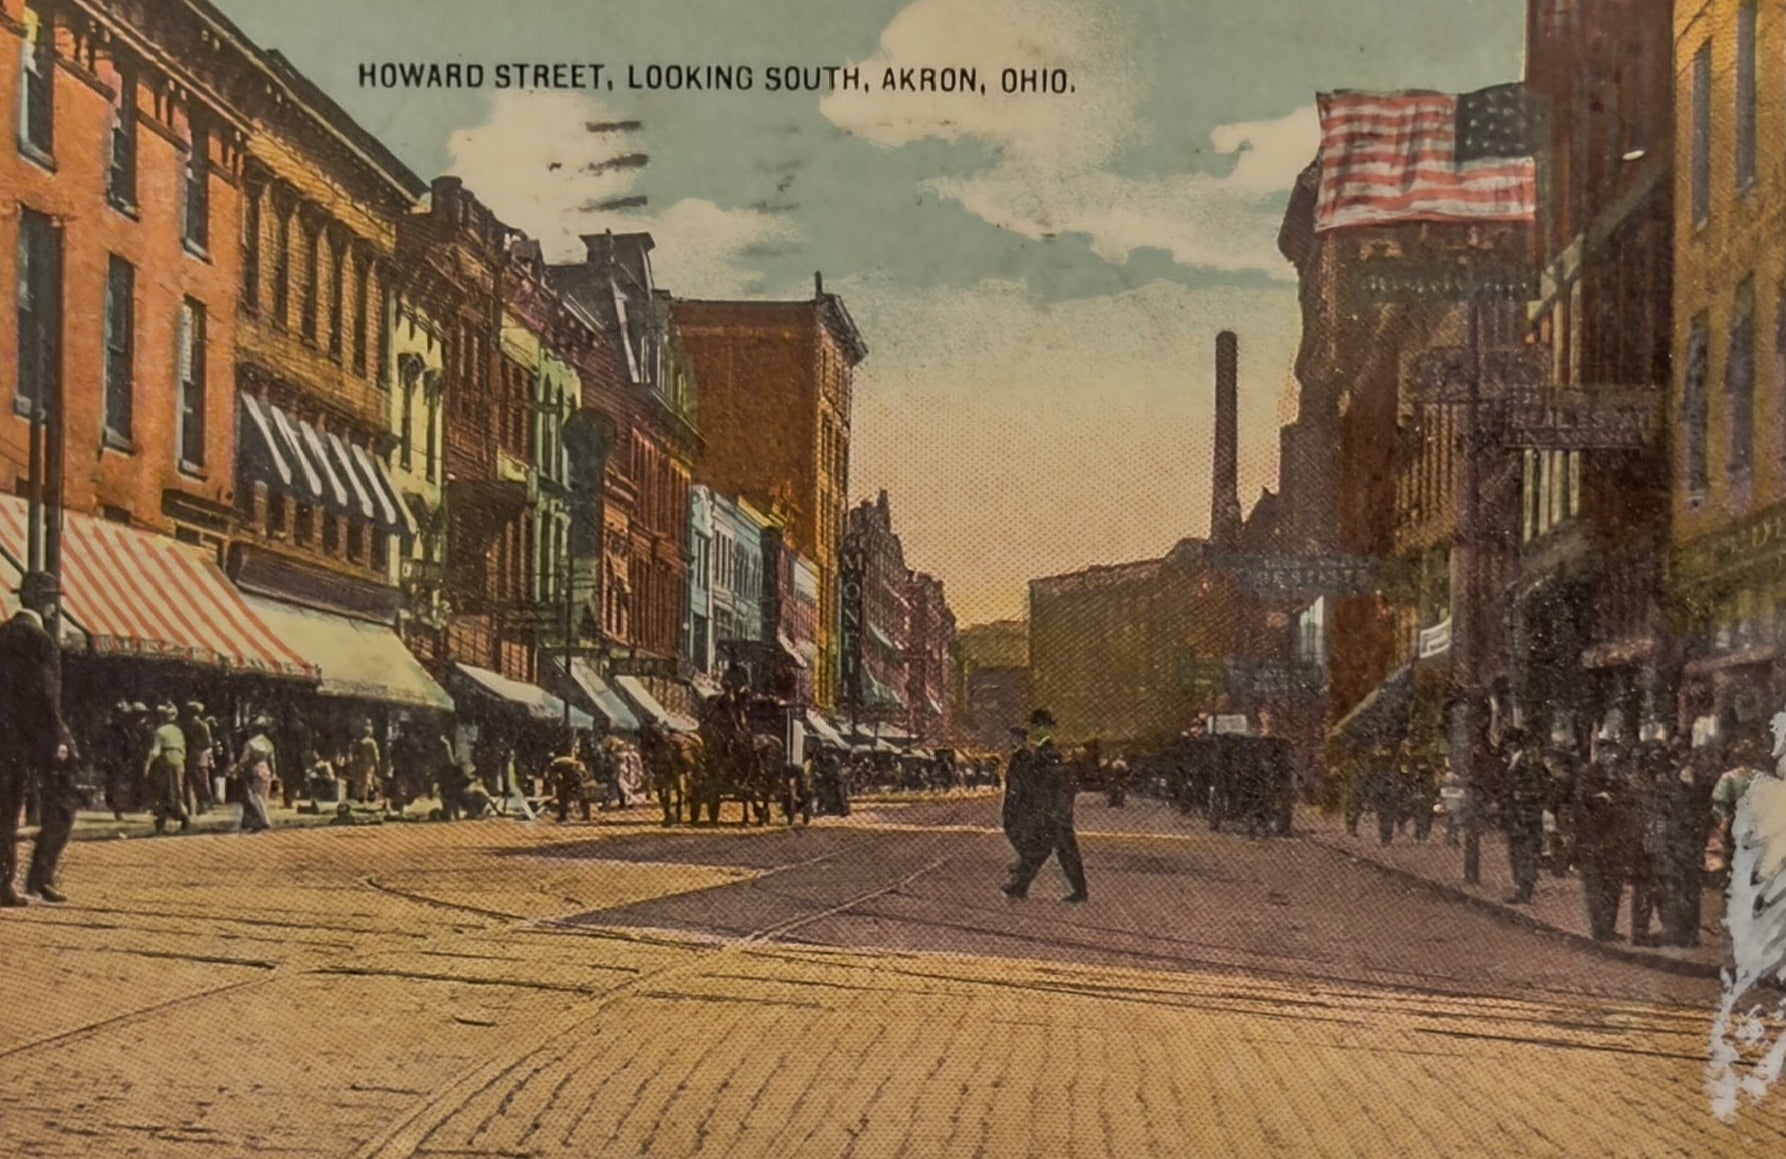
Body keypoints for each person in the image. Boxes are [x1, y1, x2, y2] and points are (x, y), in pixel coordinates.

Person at [0, 607, 77, 906]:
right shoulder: (41, 640)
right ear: (45, 608)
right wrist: (58, 738)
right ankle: (40, 878)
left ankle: (4, 885)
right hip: (30, 739)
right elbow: (47, 693)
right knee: (63, 805)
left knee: (4, 813)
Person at [1002, 709, 1087, 903]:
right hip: (1052, 810)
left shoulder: (1047, 751)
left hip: (1052, 810)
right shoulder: (1043, 751)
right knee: (1048, 850)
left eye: (1038, 726)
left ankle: (1079, 892)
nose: (1035, 730)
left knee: (1054, 850)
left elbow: (1046, 780)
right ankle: (1019, 887)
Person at [1501, 726, 1547, 905]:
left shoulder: (1527, 762)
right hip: (1517, 817)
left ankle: (1524, 892)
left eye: (1508, 744)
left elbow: (1536, 789)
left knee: (1525, 854)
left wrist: (1522, 804)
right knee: (1519, 853)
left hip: (1525, 817)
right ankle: (1521, 889)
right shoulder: (1518, 761)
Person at [144, 703, 190, 836]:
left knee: (163, 792)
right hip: (179, 761)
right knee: (177, 792)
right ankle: (183, 818)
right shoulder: (177, 730)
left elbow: (156, 751)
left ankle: (163, 823)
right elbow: (183, 749)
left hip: (166, 762)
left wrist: (148, 765)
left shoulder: (160, 731)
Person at [234, 717, 277, 833]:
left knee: (255, 797)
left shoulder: (250, 743)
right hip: (266, 769)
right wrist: (274, 773)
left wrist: (238, 769)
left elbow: (244, 759)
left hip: (254, 770)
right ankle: (258, 822)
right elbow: (272, 761)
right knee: (263, 797)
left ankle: (264, 821)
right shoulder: (268, 743)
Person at [180, 701, 215, 817]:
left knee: (188, 784)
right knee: (201, 783)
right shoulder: (202, 725)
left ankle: (191, 809)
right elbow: (208, 743)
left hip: (187, 756)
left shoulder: (184, 725)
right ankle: (203, 806)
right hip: (200, 758)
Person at [550, 735, 592, 822]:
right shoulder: (566, 760)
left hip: (571, 775)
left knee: (563, 796)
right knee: (580, 795)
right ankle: (586, 815)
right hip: (572, 774)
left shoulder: (556, 762)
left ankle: (564, 816)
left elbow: (556, 775)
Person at [346, 721, 382, 806]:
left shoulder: (360, 742)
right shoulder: (372, 743)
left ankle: (361, 797)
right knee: (367, 780)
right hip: (369, 764)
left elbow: (355, 753)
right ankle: (364, 798)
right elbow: (375, 755)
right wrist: (377, 765)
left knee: (362, 780)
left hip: (360, 764)